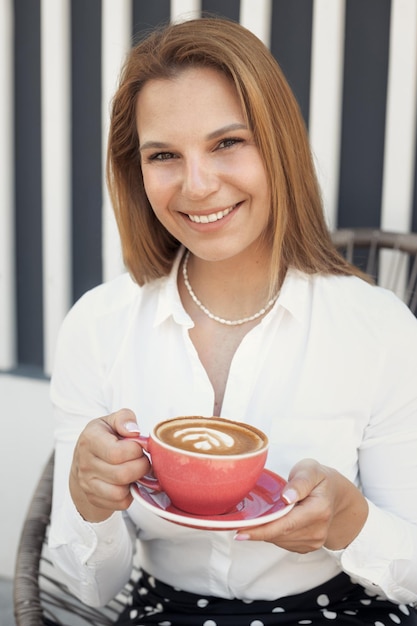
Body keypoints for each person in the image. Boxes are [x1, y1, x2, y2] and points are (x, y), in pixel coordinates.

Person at [48, 16, 417, 626]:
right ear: (136, 173)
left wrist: (351, 524)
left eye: (227, 143)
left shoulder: (379, 331)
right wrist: (89, 501)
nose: (197, 185)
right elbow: (91, 589)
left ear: (279, 146)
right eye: (164, 155)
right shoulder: (98, 326)